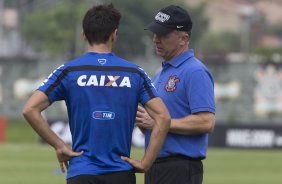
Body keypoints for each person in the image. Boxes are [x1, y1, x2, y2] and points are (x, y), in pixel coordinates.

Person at [22, 4, 170, 184]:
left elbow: (30, 109)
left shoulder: (69, 71)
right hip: (121, 173)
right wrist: (146, 163)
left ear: (84, 34)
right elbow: (163, 117)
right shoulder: (134, 73)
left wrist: (59, 145)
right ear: (114, 34)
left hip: (81, 172)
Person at [136, 5, 216, 184]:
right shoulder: (161, 73)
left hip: (180, 168)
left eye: (164, 35)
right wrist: (143, 121)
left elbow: (206, 122)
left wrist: (159, 122)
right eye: (155, 33)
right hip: (155, 166)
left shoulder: (195, 71)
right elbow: (155, 124)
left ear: (184, 38)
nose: (156, 39)